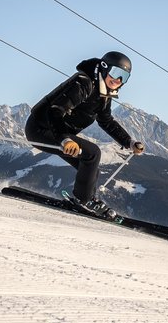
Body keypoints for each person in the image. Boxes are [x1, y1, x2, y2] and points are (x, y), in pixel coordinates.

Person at [25, 51, 144, 213]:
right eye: (117, 73)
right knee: (93, 153)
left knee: (90, 167)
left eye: (124, 76)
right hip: (41, 128)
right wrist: (64, 139)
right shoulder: (84, 83)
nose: (119, 80)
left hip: (59, 133)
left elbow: (106, 120)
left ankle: (88, 198)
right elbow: (56, 110)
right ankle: (83, 200)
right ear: (104, 68)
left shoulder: (104, 92)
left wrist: (128, 142)